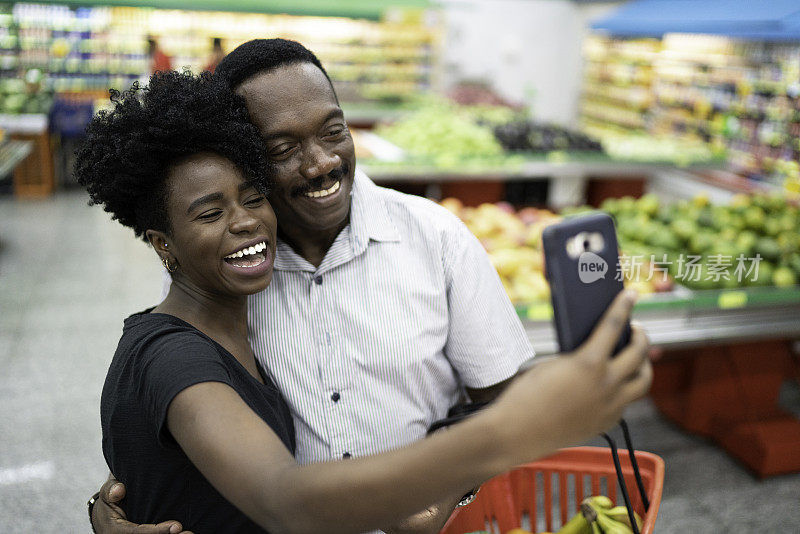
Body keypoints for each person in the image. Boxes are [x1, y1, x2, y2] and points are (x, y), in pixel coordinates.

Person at [88, 40, 649, 534]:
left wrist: (445, 491)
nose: (321, 163)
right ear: (247, 157)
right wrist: (130, 488)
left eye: (334, 132)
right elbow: (183, 400)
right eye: (282, 150)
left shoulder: (436, 238)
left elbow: (496, 397)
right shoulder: (235, 274)